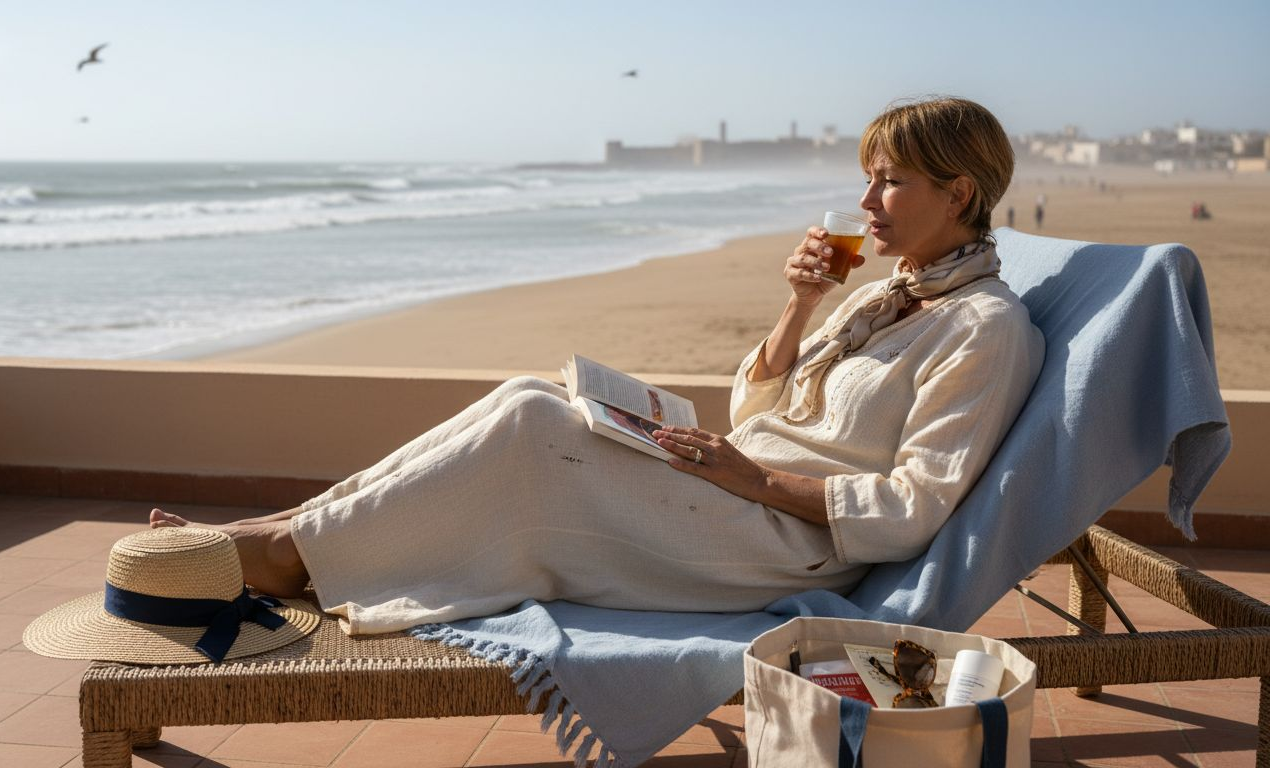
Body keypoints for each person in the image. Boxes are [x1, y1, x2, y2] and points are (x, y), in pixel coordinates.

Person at [149, 96, 1045, 635]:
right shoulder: (880, 299)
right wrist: (801, 304)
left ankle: (284, 554)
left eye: (887, 180)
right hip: (733, 484)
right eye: (868, 178)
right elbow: (759, 398)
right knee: (531, 395)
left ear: (957, 192)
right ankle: (294, 529)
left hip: (787, 545)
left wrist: (750, 474)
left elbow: (913, 511)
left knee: (535, 432)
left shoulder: (983, 329)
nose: (864, 201)